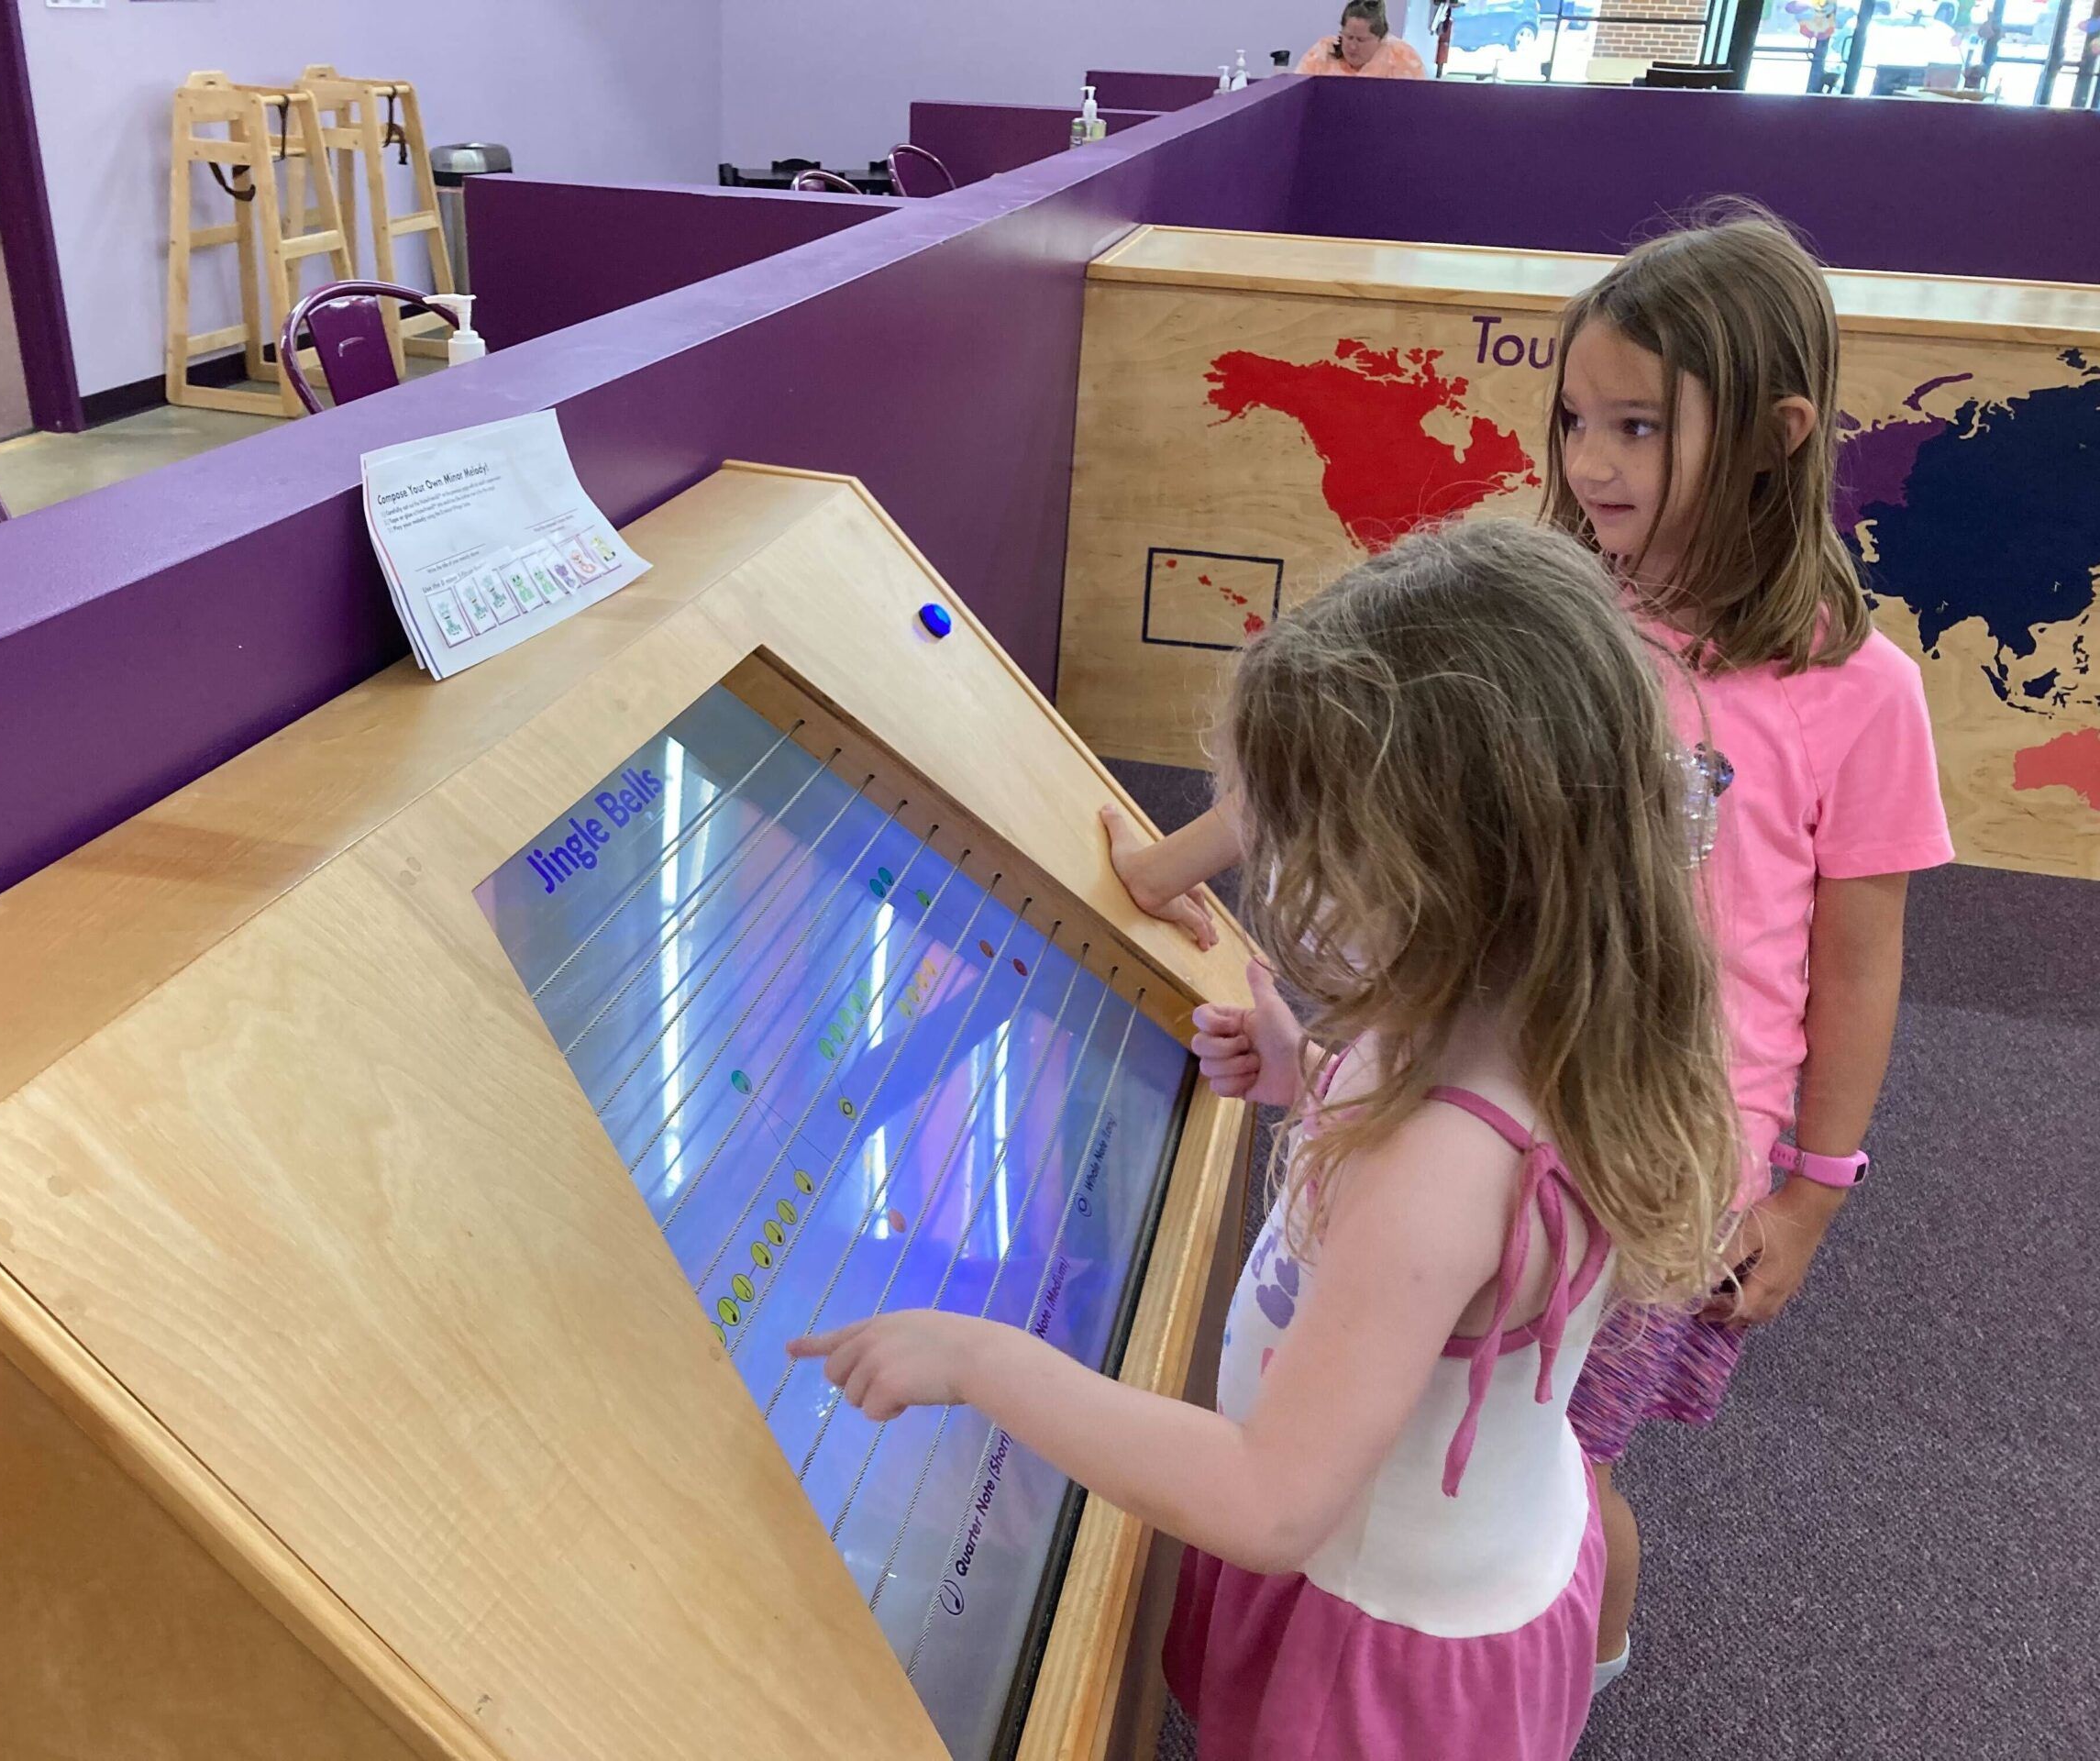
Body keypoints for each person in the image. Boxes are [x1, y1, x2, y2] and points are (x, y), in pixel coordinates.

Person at [1100, 205, 1956, 1693]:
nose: (1591, 463)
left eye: (1639, 426)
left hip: (1652, 1152)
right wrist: (1162, 869)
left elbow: (1860, 961)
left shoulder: (1858, 690)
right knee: (1403, 1406)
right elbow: (1343, 747)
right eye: (1574, 420)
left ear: (1777, 435)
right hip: (1480, 1077)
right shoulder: (1555, 611)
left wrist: (1814, 1196)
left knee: (1549, 1464)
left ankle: (1560, 1674)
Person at [795, 519, 1742, 1759]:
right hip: (1479, 1536)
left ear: (1445, 869)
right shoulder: (1537, 1005)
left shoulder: (1437, 1165)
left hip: (1379, 1643)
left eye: (1314, 845)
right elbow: (1464, 1246)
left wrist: (982, 1361)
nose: (1280, 878)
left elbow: (1268, 1499)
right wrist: (1311, 1077)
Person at [1299, 0, 1431, 76]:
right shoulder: (1322, 54)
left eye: (1361, 40)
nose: (1352, 46)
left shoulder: (1403, 58)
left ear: (1380, 38)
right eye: (1349, 37)